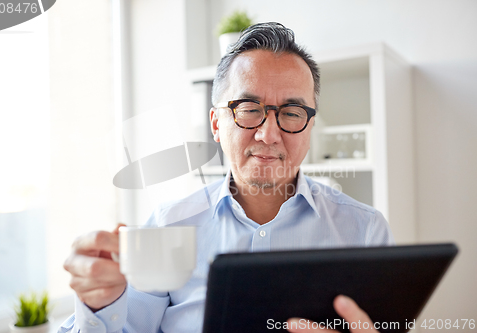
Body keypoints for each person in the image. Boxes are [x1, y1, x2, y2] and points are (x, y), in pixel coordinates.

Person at [60, 22, 394, 333]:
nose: (268, 134)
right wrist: (99, 307)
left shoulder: (365, 230)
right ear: (217, 124)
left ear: (309, 127)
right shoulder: (168, 226)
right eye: (250, 108)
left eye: (291, 113)